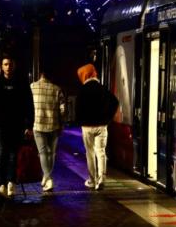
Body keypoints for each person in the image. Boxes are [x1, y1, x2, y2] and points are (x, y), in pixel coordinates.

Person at [0, 55, 34, 198]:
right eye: (5, 64)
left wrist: (28, 125)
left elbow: (28, 104)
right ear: (1, 66)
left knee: (14, 154)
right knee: (2, 153)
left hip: (16, 124)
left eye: (10, 64)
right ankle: (2, 183)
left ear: (14, 66)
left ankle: (11, 182)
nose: (8, 67)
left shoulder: (21, 83)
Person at [75, 63, 118, 191]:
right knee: (101, 152)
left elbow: (77, 109)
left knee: (90, 153)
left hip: (87, 126)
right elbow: (114, 102)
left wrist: (81, 121)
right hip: (101, 125)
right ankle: (102, 179)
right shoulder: (102, 88)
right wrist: (108, 118)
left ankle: (92, 180)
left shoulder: (82, 90)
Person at [30, 68, 66, 192]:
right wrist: (62, 123)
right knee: (52, 153)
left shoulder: (32, 87)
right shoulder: (57, 89)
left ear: (40, 75)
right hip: (54, 125)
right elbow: (63, 109)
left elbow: (28, 107)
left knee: (42, 152)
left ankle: (48, 178)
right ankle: (47, 176)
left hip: (38, 125)